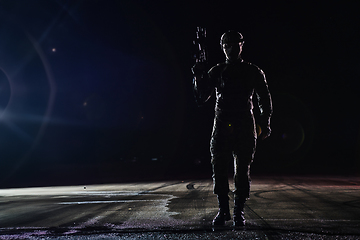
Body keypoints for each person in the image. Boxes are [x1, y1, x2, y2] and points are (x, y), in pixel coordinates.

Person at [192, 30, 273, 227]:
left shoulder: (253, 71)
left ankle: (238, 212)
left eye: (235, 44)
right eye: (227, 45)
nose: (231, 48)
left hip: (244, 125)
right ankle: (223, 211)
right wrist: (198, 77)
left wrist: (264, 122)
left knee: (242, 171)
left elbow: (264, 97)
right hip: (222, 125)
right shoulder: (217, 71)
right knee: (219, 169)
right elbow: (201, 98)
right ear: (223, 48)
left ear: (241, 46)